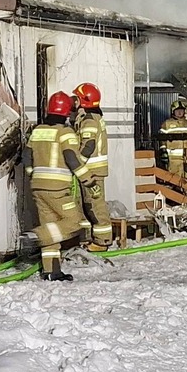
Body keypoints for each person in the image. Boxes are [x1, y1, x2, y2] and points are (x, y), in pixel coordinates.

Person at [28, 90, 92, 279]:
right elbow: (72, 160)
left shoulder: (37, 130)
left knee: (52, 226)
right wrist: (89, 180)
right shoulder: (65, 133)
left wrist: (34, 176)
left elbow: (26, 157)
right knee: (74, 222)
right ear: (66, 112)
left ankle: (51, 271)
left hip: (37, 187)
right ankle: (34, 237)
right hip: (57, 189)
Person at [71, 82, 114, 248]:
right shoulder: (90, 118)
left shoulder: (89, 121)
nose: (73, 102)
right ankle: (86, 239)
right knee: (84, 206)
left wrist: (76, 164)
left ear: (83, 101)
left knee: (95, 206)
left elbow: (88, 146)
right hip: (89, 171)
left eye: (76, 99)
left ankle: (103, 241)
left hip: (92, 172)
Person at [159, 100, 187, 182]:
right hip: (174, 158)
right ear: (173, 111)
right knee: (175, 179)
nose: (179, 112)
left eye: (181, 110)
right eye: (177, 110)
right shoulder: (167, 124)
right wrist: (163, 151)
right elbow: (162, 139)